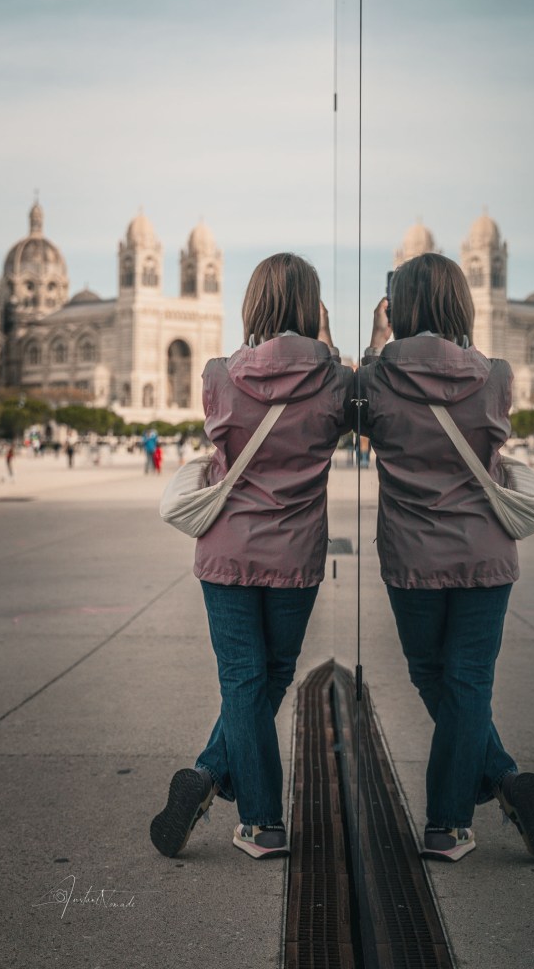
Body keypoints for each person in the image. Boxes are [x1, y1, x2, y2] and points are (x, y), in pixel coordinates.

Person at [358, 252, 534, 864]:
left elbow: (361, 422)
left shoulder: (377, 378)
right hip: (486, 557)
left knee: (431, 676)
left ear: (400, 308)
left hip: (411, 559)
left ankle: (497, 779)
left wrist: (378, 340)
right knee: (469, 681)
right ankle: (456, 818)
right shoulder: (496, 375)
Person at [150, 253, 352, 861]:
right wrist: (329, 342)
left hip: (226, 552)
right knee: (272, 676)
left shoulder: (217, 374)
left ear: (253, 303)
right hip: (295, 557)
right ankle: (220, 784)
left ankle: (249, 811)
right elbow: (350, 404)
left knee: (242, 679)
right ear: (311, 308)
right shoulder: (335, 382)